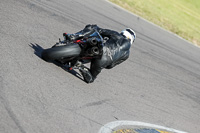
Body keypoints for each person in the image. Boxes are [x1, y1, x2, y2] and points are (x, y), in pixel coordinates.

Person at [64, 24, 136, 83]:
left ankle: (74, 36)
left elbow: (100, 31)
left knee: (93, 27)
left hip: (100, 48)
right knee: (91, 78)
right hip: (104, 60)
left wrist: (93, 28)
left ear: (123, 32)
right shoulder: (127, 54)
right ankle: (81, 66)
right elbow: (111, 66)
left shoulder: (117, 35)